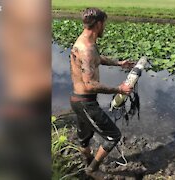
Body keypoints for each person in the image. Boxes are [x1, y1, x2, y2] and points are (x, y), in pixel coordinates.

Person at [70, 8, 135, 178]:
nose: (105, 27)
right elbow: (90, 85)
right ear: (98, 24)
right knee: (113, 136)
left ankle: (88, 159)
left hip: (78, 99)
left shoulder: (86, 42)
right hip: (86, 102)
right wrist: (120, 89)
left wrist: (119, 63)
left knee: (84, 138)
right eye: (104, 24)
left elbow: (97, 59)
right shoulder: (86, 49)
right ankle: (92, 169)